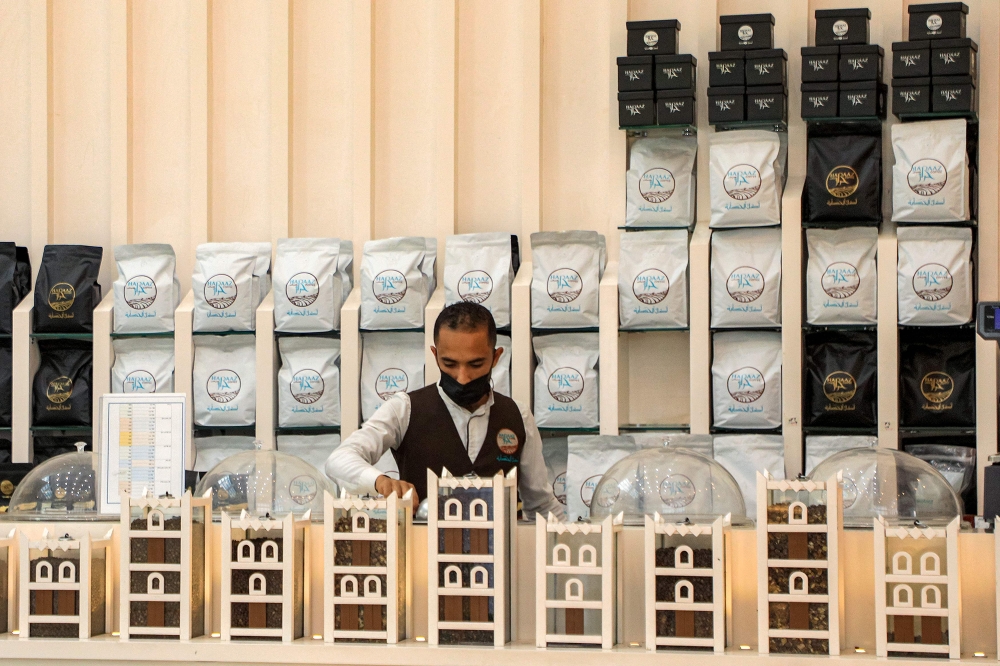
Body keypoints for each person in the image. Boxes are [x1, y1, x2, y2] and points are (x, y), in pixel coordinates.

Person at [325, 301, 564, 520]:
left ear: (495, 357)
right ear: (435, 355)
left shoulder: (518, 416)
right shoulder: (405, 409)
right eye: (449, 364)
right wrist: (380, 481)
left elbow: (541, 504)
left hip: (500, 550)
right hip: (423, 549)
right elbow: (339, 459)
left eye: (475, 364)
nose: (462, 377)